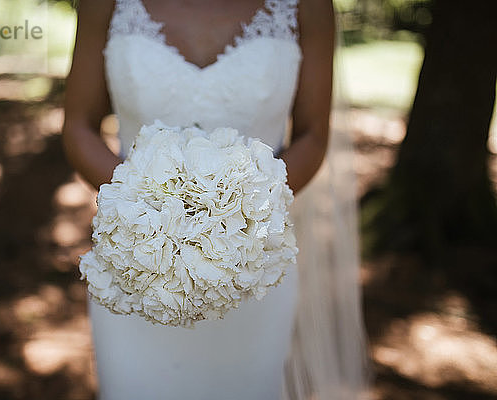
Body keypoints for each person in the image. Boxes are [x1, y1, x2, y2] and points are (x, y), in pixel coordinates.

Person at [63, 0, 368, 399]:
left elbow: (312, 135)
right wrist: (144, 203)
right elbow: (78, 126)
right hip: (138, 263)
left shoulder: (307, 6)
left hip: (252, 261)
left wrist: (244, 208)